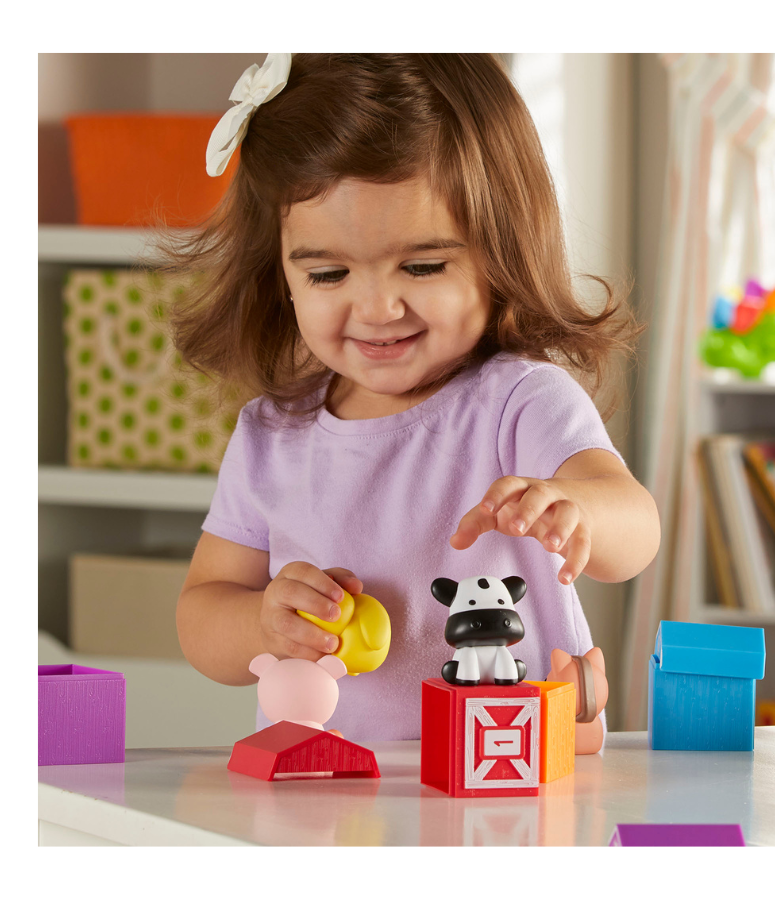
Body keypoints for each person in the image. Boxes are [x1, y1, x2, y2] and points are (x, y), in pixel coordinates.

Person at [168, 53, 660, 741]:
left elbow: (636, 531)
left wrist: (577, 510)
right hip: (328, 778)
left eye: (423, 266)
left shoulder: (519, 402)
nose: (377, 308)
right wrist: (262, 622)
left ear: (500, 251)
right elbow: (201, 615)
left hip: (510, 768)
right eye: (328, 274)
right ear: (280, 276)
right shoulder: (271, 434)